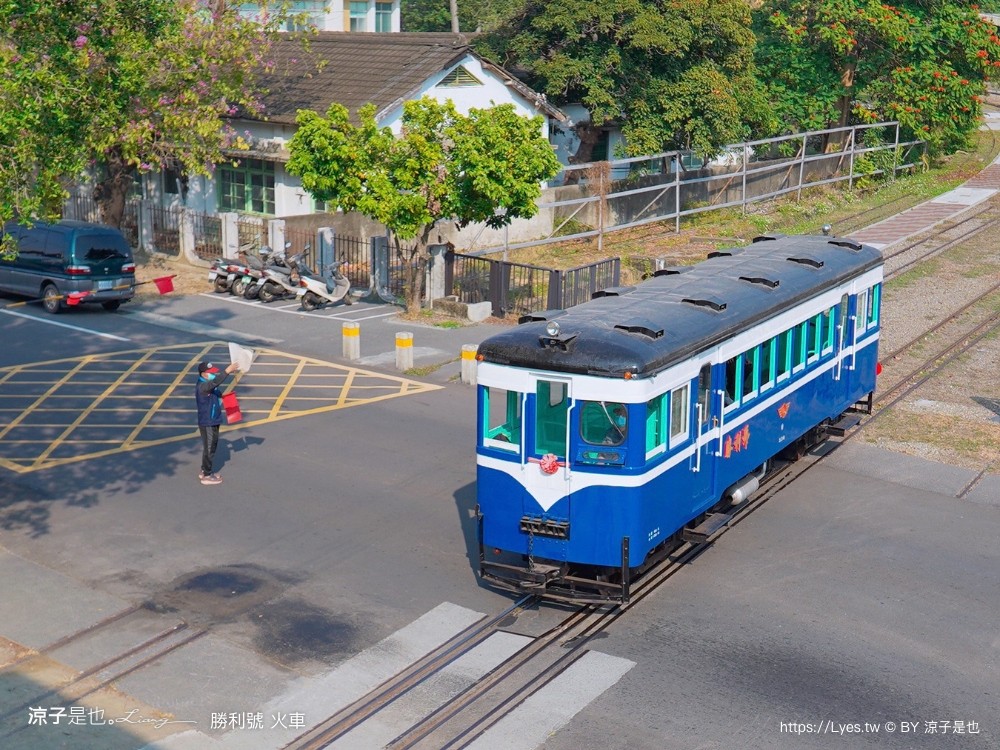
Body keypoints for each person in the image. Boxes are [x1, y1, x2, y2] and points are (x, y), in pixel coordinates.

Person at [195, 360, 240, 485]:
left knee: (211, 446)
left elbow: (216, 390)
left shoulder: (208, 385)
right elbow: (215, 382)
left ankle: (204, 470)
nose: (213, 374)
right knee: (210, 448)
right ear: (203, 374)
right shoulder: (203, 386)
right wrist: (227, 371)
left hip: (214, 419)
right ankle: (206, 476)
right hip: (208, 421)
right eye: (210, 373)